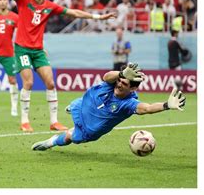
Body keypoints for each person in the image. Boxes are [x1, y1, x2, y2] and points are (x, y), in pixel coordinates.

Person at [4, 0, 116, 132]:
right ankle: (25, 121)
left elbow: (75, 12)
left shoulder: (50, 6)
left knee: (50, 83)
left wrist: (98, 17)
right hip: (22, 48)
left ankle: (54, 122)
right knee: (29, 82)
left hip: (38, 50)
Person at [31, 63, 186, 151]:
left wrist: (166, 105)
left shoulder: (128, 104)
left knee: (69, 136)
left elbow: (146, 108)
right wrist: (122, 73)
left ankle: (50, 142)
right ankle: (74, 108)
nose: (119, 84)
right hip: (82, 104)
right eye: (120, 80)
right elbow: (106, 77)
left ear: (132, 89)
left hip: (88, 128)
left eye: (124, 83)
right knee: (76, 104)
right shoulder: (114, 82)